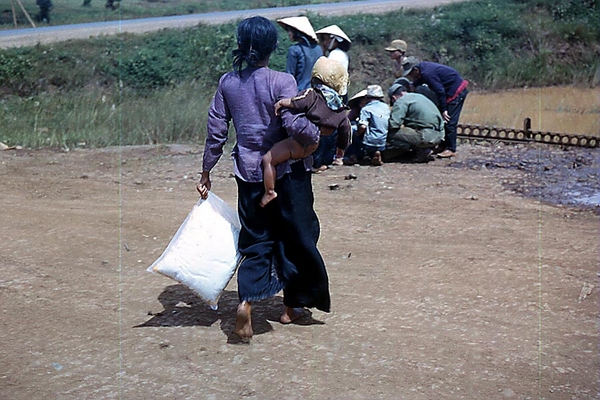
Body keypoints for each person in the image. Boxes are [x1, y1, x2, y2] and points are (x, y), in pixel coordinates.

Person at [196, 16, 330, 341]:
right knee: (298, 234)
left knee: (255, 239)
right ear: (272, 47)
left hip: (248, 174)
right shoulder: (282, 82)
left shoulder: (228, 82)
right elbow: (296, 125)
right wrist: (317, 138)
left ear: (242, 46)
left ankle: (245, 302)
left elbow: (216, 133)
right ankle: (292, 306)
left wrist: (206, 171)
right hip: (285, 173)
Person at [261, 56, 351, 207]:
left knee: (268, 160)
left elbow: (297, 102)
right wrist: (341, 149)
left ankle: (269, 192)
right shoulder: (340, 107)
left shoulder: (312, 95)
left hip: (296, 143)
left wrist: (282, 102)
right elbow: (346, 130)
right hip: (313, 146)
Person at [401, 56, 468, 158]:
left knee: (449, 121)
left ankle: (451, 149)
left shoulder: (428, 73)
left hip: (456, 91)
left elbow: (440, 91)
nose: (410, 76)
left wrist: (444, 109)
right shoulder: (422, 69)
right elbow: (421, 80)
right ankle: (443, 146)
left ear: (416, 69)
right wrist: (414, 85)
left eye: (410, 73)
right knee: (443, 121)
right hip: (448, 91)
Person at [312, 24, 352, 171]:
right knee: (333, 126)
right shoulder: (341, 54)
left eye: (328, 38)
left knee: (325, 126)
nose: (325, 41)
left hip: (332, 94)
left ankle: (320, 160)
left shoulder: (335, 55)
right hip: (340, 93)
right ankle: (327, 159)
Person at [384, 81, 445, 163]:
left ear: (394, 98)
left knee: (387, 133)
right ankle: (423, 149)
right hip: (439, 136)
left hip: (426, 136)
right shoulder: (419, 96)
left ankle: (415, 150)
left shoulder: (401, 101)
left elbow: (394, 124)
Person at [343, 85, 390, 166]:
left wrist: (357, 133)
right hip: (383, 141)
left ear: (368, 97)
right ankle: (376, 153)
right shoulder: (386, 107)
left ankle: (352, 156)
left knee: (353, 132)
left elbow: (363, 127)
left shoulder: (366, 109)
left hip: (369, 141)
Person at [277, 16, 323, 91]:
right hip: (317, 91)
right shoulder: (319, 49)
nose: (288, 34)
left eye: (290, 31)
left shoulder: (294, 50)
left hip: (300, 92)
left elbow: (290, 75)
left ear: (296, 32)